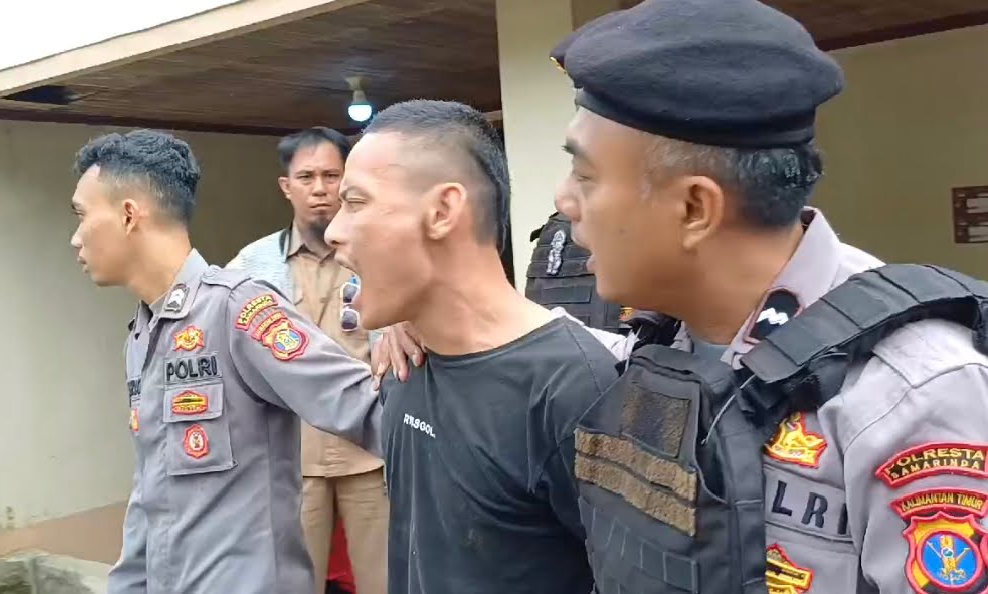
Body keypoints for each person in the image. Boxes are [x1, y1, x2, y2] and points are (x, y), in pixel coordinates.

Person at [377, 1, 988, 593]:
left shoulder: (909, 397)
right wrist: (430, 309)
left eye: (585, 175)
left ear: (695, 208)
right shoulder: (663, 343)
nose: (564, 201)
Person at [323, 99, 619, 594]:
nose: (333, 231)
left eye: (355, 203)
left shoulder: (572, 387)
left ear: (442, 211)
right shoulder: (406, 361)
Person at [68, 129, 383, 594]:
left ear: (129, 215)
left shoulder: (238, 310)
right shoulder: (142, 335)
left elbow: (371, 410)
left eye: (81, 215)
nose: (75, 238)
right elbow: (149, 495)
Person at [227, 127, 389, 594]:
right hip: (293, 459)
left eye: (331, 176)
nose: (320, 189)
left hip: (371, 452)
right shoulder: (250, 265)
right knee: (295, 582)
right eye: (306, 177)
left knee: (385, 579)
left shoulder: (379, 253)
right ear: (286, 186)